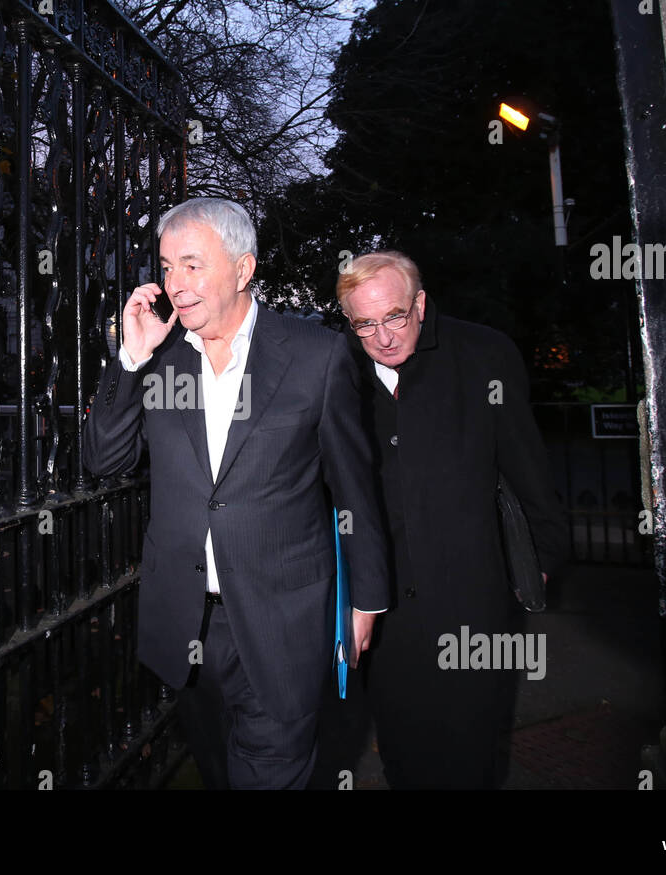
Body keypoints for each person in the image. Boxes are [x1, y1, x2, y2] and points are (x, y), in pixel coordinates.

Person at [82, 198, 389, 789]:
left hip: (284, 622)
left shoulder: (316, 356)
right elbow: (104, 461)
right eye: (168, 267)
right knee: (217, 768)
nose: (175, 284)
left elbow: (355, 487)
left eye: (192, 265)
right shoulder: (161, 357)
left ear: (243, 269)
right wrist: (130, 358)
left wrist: (367, 598)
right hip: (187, 625)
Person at [337, 251, 568, 789]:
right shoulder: (338, 369)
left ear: (420, 303)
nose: (384, 337)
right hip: (383, 607)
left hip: (474, 602)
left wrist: (542, 563)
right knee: (404, 751)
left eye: (394, 316)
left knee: (467, 758)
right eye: (365, 324)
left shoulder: (483, 354)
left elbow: (527, 469)